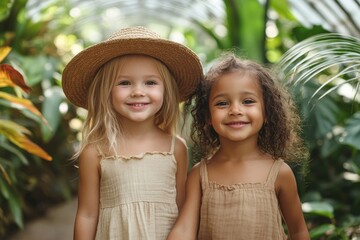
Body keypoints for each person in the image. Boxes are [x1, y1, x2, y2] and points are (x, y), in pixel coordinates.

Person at [61, 26, 203, 240]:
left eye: (151, 82)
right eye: (125, 82)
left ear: (167, 91)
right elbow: (87, 215)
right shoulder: (96, 151)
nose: (138, 91)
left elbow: (183, 210)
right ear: (105, 91)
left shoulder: (176, 148)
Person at [167, 53, 309, 240]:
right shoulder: (199, 174)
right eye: (222, 103)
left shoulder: (280, 173)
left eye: (248, 101)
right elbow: (184, 230)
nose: (235, 110)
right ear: (207, 116)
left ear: (267, 112)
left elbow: (298, 231)